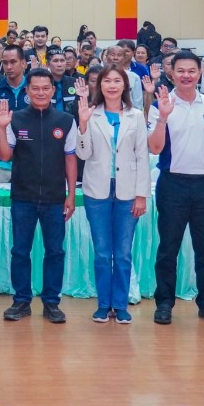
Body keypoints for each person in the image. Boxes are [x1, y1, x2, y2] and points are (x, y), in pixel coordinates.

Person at [147, 51, 204, 326]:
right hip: (172, 184)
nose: (186, 75)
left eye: (191, 70)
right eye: (180, 70)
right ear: (171, 74)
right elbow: (154, 148)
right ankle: (164, 303)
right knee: (168, 248)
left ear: (199, 73)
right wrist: (162, 117)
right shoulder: (161, 104)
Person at [0, 69, 78, 324]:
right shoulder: (16, 119)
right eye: (35, 88)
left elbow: (70, 159)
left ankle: (51, 303)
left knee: (55, 252)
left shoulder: (66, 120)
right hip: (23, 197)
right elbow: (5, 155)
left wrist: (71, 195)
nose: (40, 92)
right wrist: (2, 128)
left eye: (45, 88)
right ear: (27, 91)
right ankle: (21, 301)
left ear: (53, 90)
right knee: (20, 251)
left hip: (55, 199)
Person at [75, 65, 150, 324]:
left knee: (123, 253)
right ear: (100, 85)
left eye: (117, 81)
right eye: (107, 81)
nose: (112, 85)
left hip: (128, 191)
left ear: (125, 85)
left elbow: (142, 156)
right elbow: (83, 153)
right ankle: (103, 304)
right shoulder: (90, 113)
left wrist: (141, 195)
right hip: (97, 191)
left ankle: (120, 305)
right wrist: (83, 124)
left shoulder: (136, 116)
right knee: (102, 253)